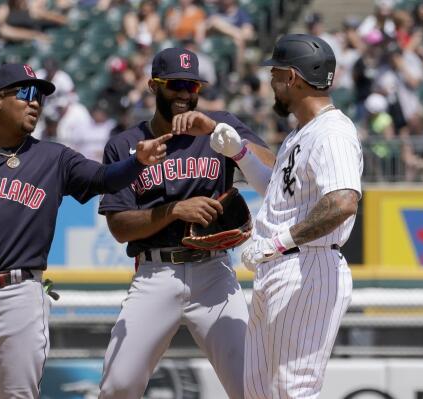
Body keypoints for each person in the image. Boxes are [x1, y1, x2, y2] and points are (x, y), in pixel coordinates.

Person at [0, 63, 171, 399]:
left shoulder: (55, 158)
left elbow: (103, 178)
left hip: (18, 296)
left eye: (40, 97)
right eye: (27, 93)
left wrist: (137, 162)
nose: (36, 102)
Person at [97, 47, 275, 399]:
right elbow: (119, 227)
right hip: (156, 273)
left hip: (213, 274)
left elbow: (274, 170)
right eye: (175, 84)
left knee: (253, 385)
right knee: (118, 386)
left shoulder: (219, 125)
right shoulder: (126, 144)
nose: (184, 93)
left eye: (192, 86)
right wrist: (175, 210)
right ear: (153, 86)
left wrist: (222, 134)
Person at [210, 34, 362, 399]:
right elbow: (278, 194)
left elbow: (343, 202)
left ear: (292, 77)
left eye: (275, 74)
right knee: (261, 391)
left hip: (306, 266)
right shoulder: (302, 132)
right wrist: (240, 153)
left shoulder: (333, 132)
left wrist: (279, 243)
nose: (272, 83)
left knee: (294, 389)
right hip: (281, 265)